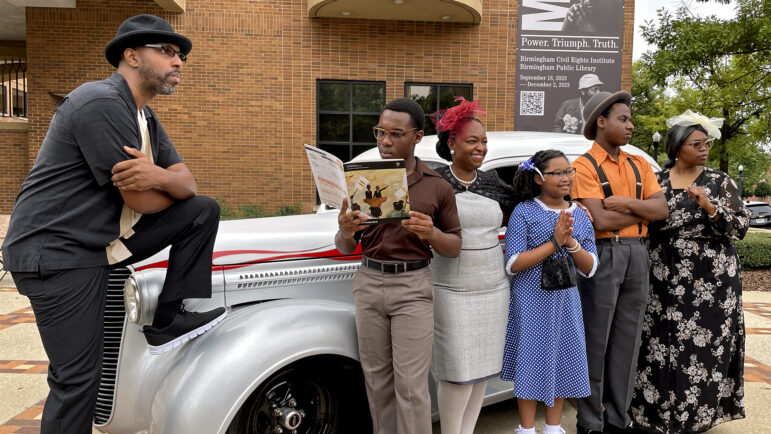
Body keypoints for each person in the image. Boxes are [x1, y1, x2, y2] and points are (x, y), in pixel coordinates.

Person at [1, 15, 225, 433]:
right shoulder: (100, 101)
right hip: (56, 251)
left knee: (201, 210)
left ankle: (169, 318)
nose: (179, 62)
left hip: (96, 245)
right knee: (77, 380)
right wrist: (163, 183)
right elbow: (138, 198)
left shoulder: (144, 118)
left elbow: (187, 186)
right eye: (168, 52)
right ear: (132, 55)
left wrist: (158, 175)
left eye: (181, 56)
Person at [335, 97, 462, 434]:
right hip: (368, 280)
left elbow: (454, 246)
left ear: (417, 137)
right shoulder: (359, 182)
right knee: (376, 381)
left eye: (395, 134)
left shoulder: (436, 185)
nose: (385, 142)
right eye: (380, 133)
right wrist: (345, 230)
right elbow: (346, 246)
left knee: (410, 386)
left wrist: (431, 232)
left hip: (413, 286)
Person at [630, 110, 749, 433]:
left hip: (711, 279)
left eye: (706, 143)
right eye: (696, 143)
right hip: (662, 274)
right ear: (677, 147)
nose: (704, 149)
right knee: (659, 342)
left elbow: (740, 228)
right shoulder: (657, 181)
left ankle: (695, 417)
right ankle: (654, 413)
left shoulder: (718, 181)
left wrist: (710, 207)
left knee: (704, 347)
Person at [570, 91, 669, 434]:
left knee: (628, 340)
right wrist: (640, 208)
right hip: (603, 252)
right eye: (623, 119)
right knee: (595, 340)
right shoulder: (583, 165)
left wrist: (624, 202)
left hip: (638, 253)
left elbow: (662, 210)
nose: (631, 126)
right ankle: (590, 421)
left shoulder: (639, 163)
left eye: (630, 120)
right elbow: (598, 221)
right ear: (601, 121)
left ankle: (617, 419)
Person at [429, 99, 514, 434]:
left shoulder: (494, 183)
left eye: (484, 141)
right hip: (450, 288)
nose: (481, 147)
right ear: (451, 144)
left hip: (493, 287)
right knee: (456, 370)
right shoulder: (433, 181)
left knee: (482, 370)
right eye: (472, 141)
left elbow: (524, 211)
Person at [502, 150, 598, 434]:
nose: (566, 178)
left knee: (561, 359)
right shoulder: (524, 211)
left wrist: (570, 245)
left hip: (565, 301)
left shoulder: (579, 214)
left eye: (569, 171)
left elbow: (590, 267)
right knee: (531, 360)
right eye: (557, 173)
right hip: (530, 300)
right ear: (539, 178)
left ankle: (554, 428)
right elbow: (513, 263)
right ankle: (527, 428)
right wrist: (555, 242)